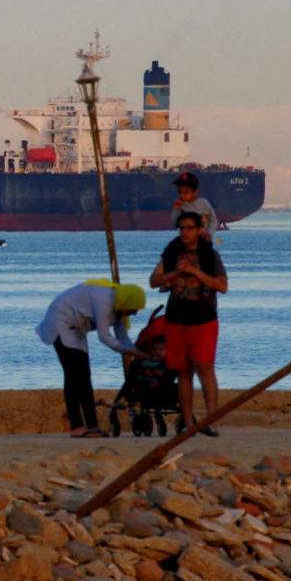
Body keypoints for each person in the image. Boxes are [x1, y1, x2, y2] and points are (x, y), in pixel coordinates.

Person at [150, 211, 229, 435]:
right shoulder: (172, 252)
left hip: (203, 321)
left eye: (189, 228)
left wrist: (194, 271)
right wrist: (175, 273)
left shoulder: (210, 256)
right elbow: (154, 280)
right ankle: (188, 422)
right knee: (183, 372)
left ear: (199, 230)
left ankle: (211, 420)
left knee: (205, 369)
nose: (184, 232)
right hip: (176, 321)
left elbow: (222, 286)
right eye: (181, 228)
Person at [36, 281, 148, 438]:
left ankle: (92, 425)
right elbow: (104, 336)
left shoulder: (119, 307)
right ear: (126, 301)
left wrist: (136, 351)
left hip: (77, 329)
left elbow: (122, 336)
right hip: (61, 322)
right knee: (74, 376)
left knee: (85, 376)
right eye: (134, 308)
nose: (135, 313)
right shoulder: (104, 301)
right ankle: (77, 426)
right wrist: (128, 351)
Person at [170, 171, 218, 239]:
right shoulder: (181, 207)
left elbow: (213, 220)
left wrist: (209, 234)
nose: (182, 196)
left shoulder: (204, 203)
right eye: (180, 193)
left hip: (203, 240)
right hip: (187, 241)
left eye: (185, 193)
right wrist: (176, 210)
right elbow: (175, 222)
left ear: (195, 192)